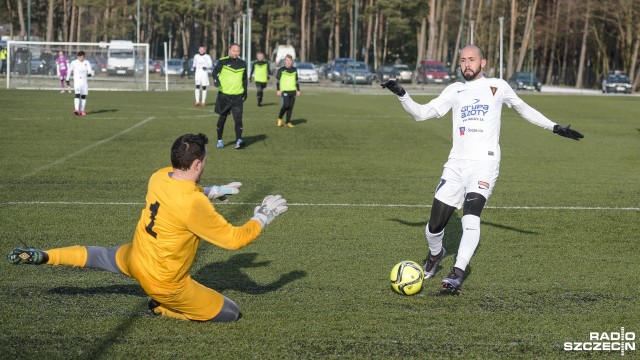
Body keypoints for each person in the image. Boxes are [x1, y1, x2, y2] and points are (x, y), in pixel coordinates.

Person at [7, 133, 289, 322]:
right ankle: (161, 307)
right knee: (231, 312)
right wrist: (262, 217)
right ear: (196, 163)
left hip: (137, 256)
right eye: (203, 163)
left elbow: (180, 193)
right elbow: (234, 240)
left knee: (95, 256)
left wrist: (214, 190)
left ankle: (44, 255)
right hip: (164, 283)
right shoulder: (194, 204)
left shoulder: (159, 176)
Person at [381, 44, 583, 294]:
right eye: (463, 60)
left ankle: (457, 272)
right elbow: (423, 114)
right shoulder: (454, 90)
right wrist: (402, 94)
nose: (467, 64)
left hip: (485, 165)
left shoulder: (498, 86)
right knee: (434, 227)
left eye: (472, 59)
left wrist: (554, 127)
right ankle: (436, 254)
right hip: (455, 165)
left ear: (483, 63)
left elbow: (523, 108)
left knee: (470, 216)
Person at [212, 43, 248, 149]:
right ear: (229, 50)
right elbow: (214, 72)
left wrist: (245, 91)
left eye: (237, 51)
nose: (235, 53)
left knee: (238, 118)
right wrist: (216, 81)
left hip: (237, 96)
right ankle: (219, 140)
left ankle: (238, 141)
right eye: (234, 51)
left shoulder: (243, 63)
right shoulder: (223, 61)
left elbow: (244, 79)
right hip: (224, 95)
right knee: (222, 118)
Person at [275, 54, 301, 128]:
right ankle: (279, 118)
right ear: (285, 61)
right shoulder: (281, 70)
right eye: (287, 60)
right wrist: (278, 90)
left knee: (290, 107)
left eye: (290, 60)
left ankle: (288, 122)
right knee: (286, 105)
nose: (288, 62)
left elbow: (296, 81)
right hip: (284, 90)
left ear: (292, 61)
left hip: (293, 90)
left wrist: (298, 90)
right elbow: (277, 81)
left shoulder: (294, 69)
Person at [66, 51, 94, 116]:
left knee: (83, 96)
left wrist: (90, 73)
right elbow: (69, 70)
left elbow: (89, 70)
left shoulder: (86, 62)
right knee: (77, 94)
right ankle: (76, 109)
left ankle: (82, 110)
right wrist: (67, 79)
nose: (82, 58)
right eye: (80, 57)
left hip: (84, 81)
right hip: (77, 81)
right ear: (78, 57)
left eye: (83, 57)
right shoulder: (74, 62)